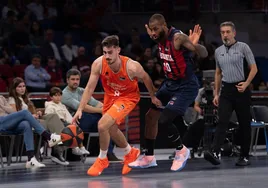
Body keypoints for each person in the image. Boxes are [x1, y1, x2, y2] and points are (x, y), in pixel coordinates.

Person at [72, 35, 161, 176]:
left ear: (118, 50)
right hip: (110, 96)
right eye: (104, 52)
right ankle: (130, 152)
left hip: (127, 98)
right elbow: (89, 88)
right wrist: (80, 109)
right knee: (111, 128)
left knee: (102, 125)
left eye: (110, 52)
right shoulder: (98, 63)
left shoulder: (131, 66)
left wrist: (153, 96)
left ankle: (102, 159)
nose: (107, 56)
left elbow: (146, 78)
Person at [129, 13, 208, 171]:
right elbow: (155, 35)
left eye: (156, 29)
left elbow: (204, 54)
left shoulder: (177, 38)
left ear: (164, 26)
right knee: (150, 116)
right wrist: (152, 32)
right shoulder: (157, 37)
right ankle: (149, 157)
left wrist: (193, 44)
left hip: (186, 85)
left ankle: (182, 151)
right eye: (151, 30)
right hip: (170, 83)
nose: (153, 33)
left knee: (164, 120)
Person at [204, 21, 257, 166]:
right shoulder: (218, 51)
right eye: (222, 32)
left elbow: (254, 68)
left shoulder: (243, 47)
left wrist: (246, 84)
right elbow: (218, 73)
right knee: (222, 120)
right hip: (226, 89)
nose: (225, 35)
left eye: (228, 32)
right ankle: (215, 152)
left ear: (234, 33)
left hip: (241, 88)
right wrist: (216, 94)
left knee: (244, 123)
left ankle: (244, 156)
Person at [8, 77, 69, 165]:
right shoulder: (12, 99)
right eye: (19, 87)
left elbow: (29, 112)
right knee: (51, 122)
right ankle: (56, 149)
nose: (22, 89)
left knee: (53, 116)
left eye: (23, 86)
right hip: (24, 124)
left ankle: (56, 145)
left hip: (32, 120)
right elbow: (14, 116)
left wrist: (37, 113)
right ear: (14, 88)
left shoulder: (23, 98)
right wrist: (31, 116)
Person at [61, 69, 119, 160]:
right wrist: (101, 111)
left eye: (77, 79)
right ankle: (110, 152)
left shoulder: (81, 90)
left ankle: (109, 152)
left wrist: (107, 110)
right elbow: (82, 107)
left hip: (87, 117)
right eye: (73, 79)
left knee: (107, 120)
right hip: (74, 120)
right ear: (67, 80)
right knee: (104, 121)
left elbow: (96, 103)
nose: (75, 82)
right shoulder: (64, 94)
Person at [0, 95, 61, 168]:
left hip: (7, 121)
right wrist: (3, 107)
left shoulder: (1, 97)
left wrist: (3, 107)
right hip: (2, 122)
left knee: (26, 124)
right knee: (25, 112)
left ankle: (30, 159)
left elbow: (12, 110)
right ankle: (48, 137)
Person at [45, 86, 89, 155]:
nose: (58, 97)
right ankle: (75, 148)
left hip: (64, 123)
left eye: (59, 95)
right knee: (71, 130)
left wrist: (73, 123)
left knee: (76, 128)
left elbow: (68, 117)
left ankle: (81, 147)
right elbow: (50, 118)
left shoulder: (62, 105)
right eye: (55, 95)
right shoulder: (49, 105)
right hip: (56, 125)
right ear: (51, 97)